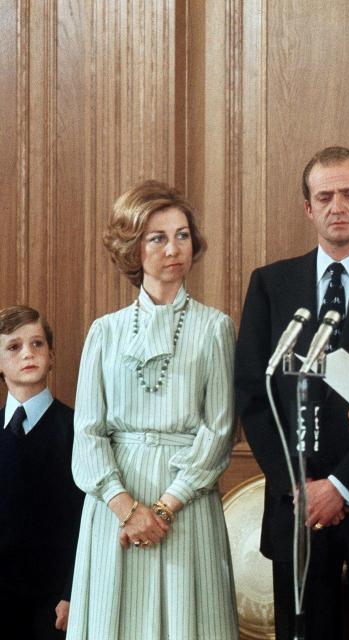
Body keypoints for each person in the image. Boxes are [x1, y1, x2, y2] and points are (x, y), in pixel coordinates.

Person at [235, 146, 349, 640]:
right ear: (308, 208)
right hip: (298, 510)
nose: (337, 206)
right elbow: (254, 395)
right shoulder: (271, 285)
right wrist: (299, 486)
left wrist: (341, 486)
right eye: (324, 197)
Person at [67, 180, 239, 639]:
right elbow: (88, 431)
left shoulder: (215, 328)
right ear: (133, 248)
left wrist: (164, 509)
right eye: (157, 238)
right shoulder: (105, 332)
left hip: (186, 502)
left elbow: (219, 429)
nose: (173, 249)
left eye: (182, 235)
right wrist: (125, 508)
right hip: (114, 504)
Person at [0, 306, 84, 639]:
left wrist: (73, 591)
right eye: (14, 346)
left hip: (55, 604)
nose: (28, 353)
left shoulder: (77, 430)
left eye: (37, 344)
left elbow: (87, 520)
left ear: (52, 356)